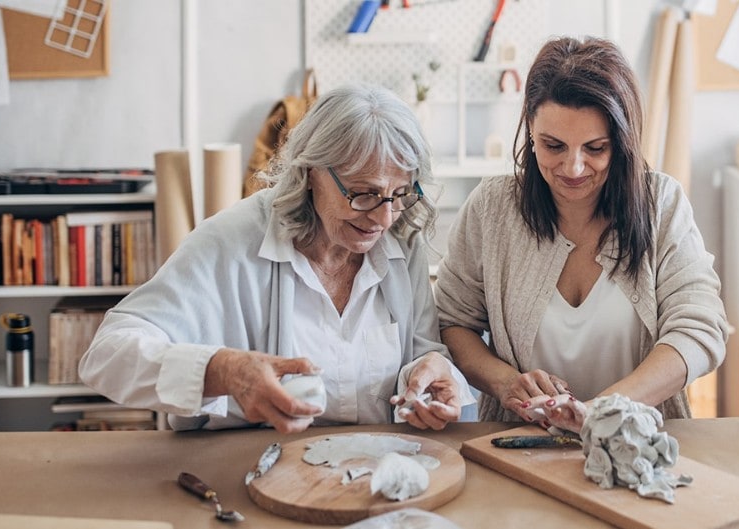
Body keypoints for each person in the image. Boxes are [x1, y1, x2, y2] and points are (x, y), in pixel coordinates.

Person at [80, 84, 473, 433]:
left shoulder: (400, 239)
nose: (384, 218)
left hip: (371, 475)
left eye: (400, 193)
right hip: (247, 473)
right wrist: (222, 371)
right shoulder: (230, 241)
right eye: (363, 194)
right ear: (311, 171)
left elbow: (423, 352)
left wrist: (432, 374)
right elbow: (107, 354)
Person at [434, 36, 728, 430]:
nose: (573, 168)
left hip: (636, 440)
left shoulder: (662, 203)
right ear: (530, 132)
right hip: (520, 443)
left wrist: (602, 410)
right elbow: (452, 322)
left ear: (622, 144)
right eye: (553, 145)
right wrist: (504, 383)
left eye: (595, 148)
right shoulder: (492, 207)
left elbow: (699, 330)